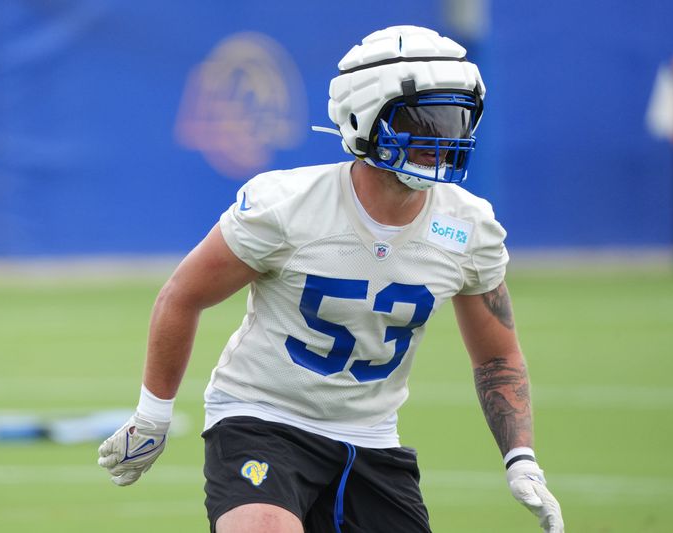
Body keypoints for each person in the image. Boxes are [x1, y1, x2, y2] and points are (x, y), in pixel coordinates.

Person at [97, 25, 564, 533]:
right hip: (263, 419)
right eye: (425, 118)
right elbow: (181, 297)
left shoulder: (470, 227)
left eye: (457, 119)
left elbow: (497, 354)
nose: (443, 138)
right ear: (365, 117)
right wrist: (152, 416)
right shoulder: (288, 208)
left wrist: (521, 457)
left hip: (372, 436)